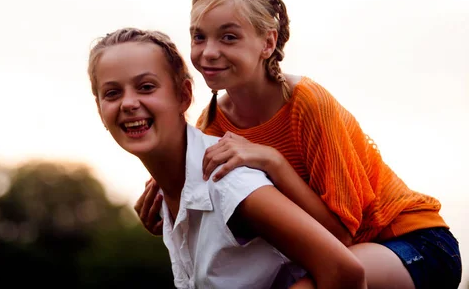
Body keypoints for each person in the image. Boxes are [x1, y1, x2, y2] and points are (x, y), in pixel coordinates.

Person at [135, 0, 462, 289]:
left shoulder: (306, 103)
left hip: (413, 244)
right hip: (333, 258)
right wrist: (172, 206)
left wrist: (273, 161)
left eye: (229, 37)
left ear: (268, 42)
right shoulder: (212, 127)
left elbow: (342, 236)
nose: (208, 51)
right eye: (199, 36)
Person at [88, 27, 366, 289]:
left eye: (146, 87)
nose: (128, 103)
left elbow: (344, 272)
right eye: (112, 93)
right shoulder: (171, 191)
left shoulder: (227, 181)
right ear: (101, 111)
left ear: (184, 96)